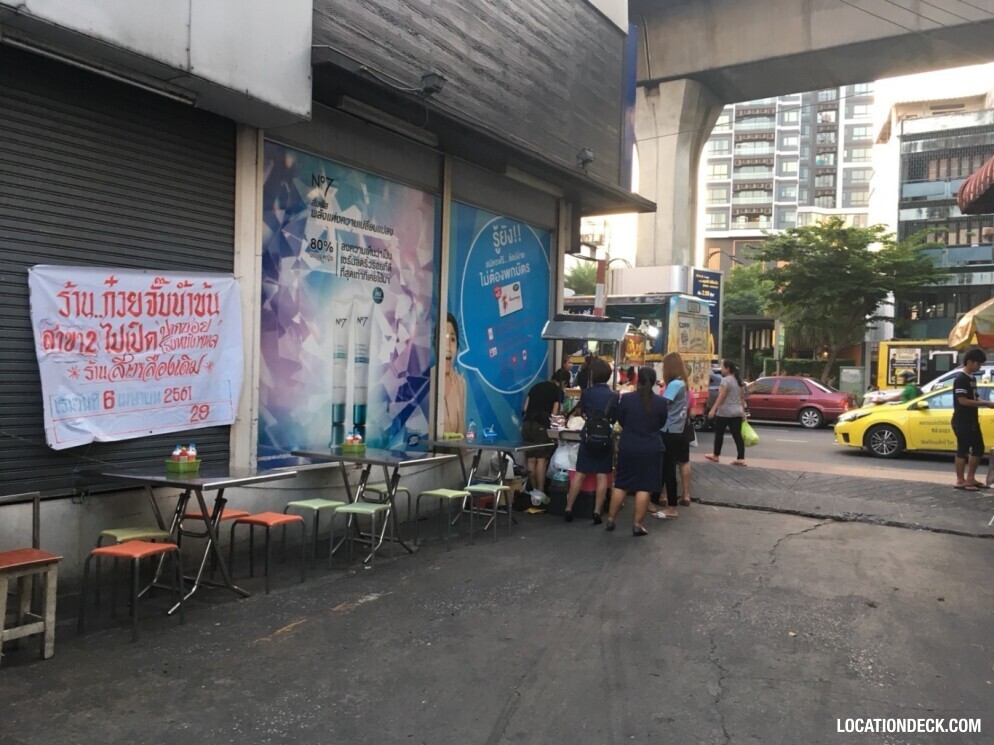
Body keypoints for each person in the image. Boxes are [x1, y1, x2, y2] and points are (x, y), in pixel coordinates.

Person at [606, 366, 668, 536]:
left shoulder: (626, 399)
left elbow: (621, 419)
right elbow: (661, 424)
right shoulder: (661, 402)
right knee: (644, 487)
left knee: (621, 484)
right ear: (655, 381)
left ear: (637, 380)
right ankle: (637, 524)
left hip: (628, 446)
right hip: (651, 448)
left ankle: (611, 519)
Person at [564, 358, 617, 524]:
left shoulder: (587, 392)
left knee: (580, 473)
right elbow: (615, 418)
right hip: (606, 437)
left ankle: (568, 508)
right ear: (608, 375)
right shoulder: (614, 396)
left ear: (594, 375)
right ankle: (596, 512)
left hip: (588, 435)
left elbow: (583, 413)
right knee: (602, 475)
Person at [653, 352, 692, 519]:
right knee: (666, 468)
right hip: (676, 430)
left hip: (669, 430)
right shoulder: (682, 383)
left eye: (664, 365)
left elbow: (663, 404)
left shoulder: (674, 384)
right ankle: (656, 500)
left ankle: (671, 507)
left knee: (668, 469)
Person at [951, 348, 994, 492]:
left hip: (972, 420)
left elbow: (974, 398)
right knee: (962, 450)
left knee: (979, 448)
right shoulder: (960, 378)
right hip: (961, 419)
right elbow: (962, 400)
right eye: (978, 364)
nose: (979, 367)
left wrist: (987, 402)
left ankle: (970, 478)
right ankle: (960, 480)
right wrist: (985, 404)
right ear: (969, 362)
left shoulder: (972, 378)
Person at [520, 377, 563, 499]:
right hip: (541, 426)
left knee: (531, 459)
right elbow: (554, 415)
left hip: (527, 425)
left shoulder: (535, 387)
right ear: (563, 382)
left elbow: (525, 408)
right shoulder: (557, 391)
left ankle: (533, 491)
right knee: (541, 460)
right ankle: (541, 492)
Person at [705, 359, 748, 466]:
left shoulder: (725, 380)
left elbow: (722, 396)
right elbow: (742, 398)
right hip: (737, 412)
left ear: (728, 369)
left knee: (719, 434)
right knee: (737, 435)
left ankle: (716, 455)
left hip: (724, 412)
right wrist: (743, 412)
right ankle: (741, 458)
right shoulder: (739, 381)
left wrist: (713, 409)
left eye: (723, 367)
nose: (721, 369)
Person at [442, 313, 467, 434]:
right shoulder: (427, 380)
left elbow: (461, 432)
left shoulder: (460, 383)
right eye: (443, 338)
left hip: (455, 452)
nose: (447, 347)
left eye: (452, 339)